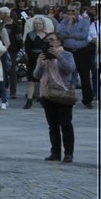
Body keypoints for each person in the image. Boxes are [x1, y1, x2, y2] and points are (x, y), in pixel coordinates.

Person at [34, 32, 80, 162]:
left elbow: (70, 69)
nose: (50, 43)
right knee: (52, 125)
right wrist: (40, 64)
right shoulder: (44, 56)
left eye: (52, 40)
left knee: (66, 124)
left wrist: (58, 56)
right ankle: (55, 152)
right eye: (48, 40)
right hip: (47, 93)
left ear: (59, 42)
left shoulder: (67, 54)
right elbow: (36, 75)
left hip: (63, 92)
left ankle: (68, 153)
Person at [57, 4, 96, 108]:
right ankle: (67, 98)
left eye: (73, 11)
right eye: (69, 11)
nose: (71, 13)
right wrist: (69, 25)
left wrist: (69, 35)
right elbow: (60, 34)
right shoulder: (64, 22)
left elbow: (84, 35)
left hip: (82, 52)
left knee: (85, 76)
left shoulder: (85, 22)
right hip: (68, 51)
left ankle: (88, 100)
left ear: (78, 11)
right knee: (68, 75)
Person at [21, 14, 54, 108]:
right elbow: (27, 48)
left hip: (44, 59)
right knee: (31, 80)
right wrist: (34, 56)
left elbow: (49, 48)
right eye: (36, 24)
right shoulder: (30, 35)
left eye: (39, 24)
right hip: (32, 59)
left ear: (43, 25)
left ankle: (43, 99)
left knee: (43, 80)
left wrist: (45, 57)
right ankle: (29, 100)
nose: (38, 25)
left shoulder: (48, 35)